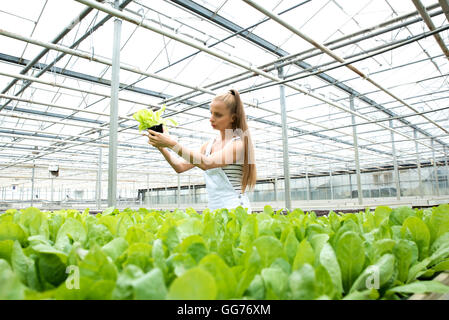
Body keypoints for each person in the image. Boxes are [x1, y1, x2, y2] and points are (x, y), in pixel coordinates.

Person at [146, 89, 257, 213]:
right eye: (211, 113)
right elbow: (179, 166)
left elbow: (206, 163)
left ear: (233, 118)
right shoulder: (208, 146)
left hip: (236, 211)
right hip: (214, 211)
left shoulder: (238, 144)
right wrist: (162, 147)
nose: (211, 119)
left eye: (218, 115)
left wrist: (172, 144)